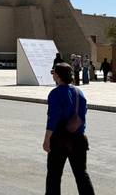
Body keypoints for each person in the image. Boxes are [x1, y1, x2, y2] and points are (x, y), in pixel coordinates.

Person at [43, 62, 94, 195]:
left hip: (60, 139)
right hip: (79, 138)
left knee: (54, 175)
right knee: (81, 175)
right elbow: (83, 115)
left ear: (58, 76)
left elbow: (52, 119)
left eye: (53, 72)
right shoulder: (79, 92)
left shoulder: (55, 93)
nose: (52, 75)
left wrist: (47, 139)